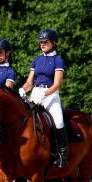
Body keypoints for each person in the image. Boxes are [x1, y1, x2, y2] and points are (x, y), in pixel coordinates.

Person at [18, 28, 66, 167]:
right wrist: (23, 89)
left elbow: (57, 84)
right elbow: (29, 82)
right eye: (41, 42)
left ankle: (62, 155)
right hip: (35, 92)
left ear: (54, 42)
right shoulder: (37, 60)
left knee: (58, 122)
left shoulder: (58, 61)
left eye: (45, 41)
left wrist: (44, 94)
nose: (42, 44)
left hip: (50, 95)